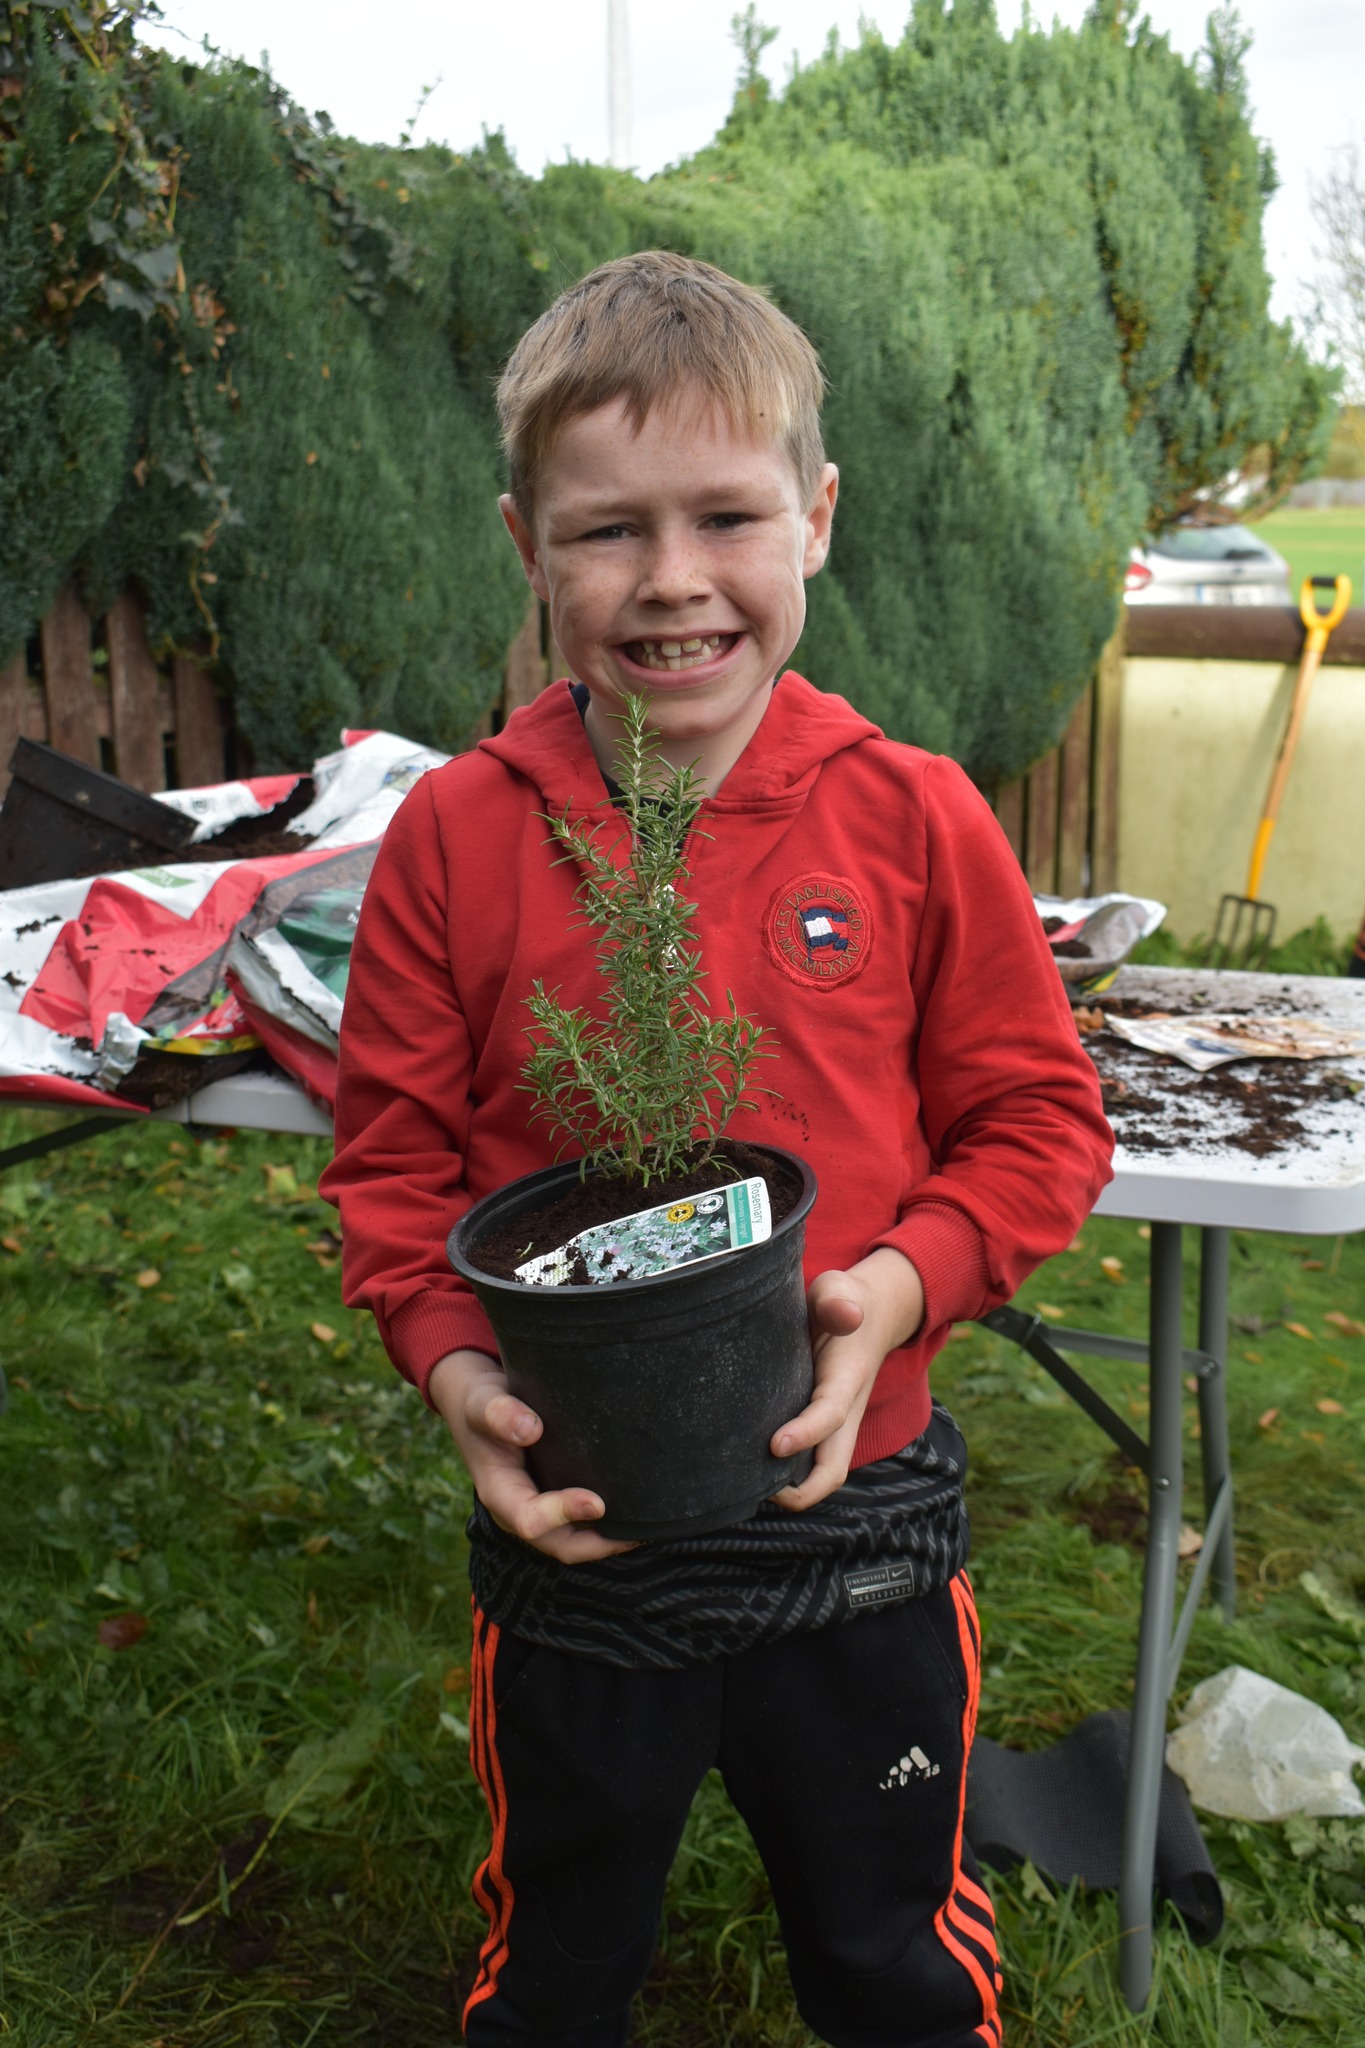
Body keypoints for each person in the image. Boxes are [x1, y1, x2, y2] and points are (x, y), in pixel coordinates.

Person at [322, 250, 1113, 2048]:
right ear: (525, 541)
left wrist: (899, 1289)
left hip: (863, 1506)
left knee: (890, 1943)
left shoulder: (913, 816)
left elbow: (1037, 1120)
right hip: (581, 1522)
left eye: (726, 517)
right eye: (605, 532)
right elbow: (392, 1173)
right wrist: (457, 1377)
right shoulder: (457, 836)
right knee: (560, 1949)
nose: (671, 583)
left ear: (814, 519)